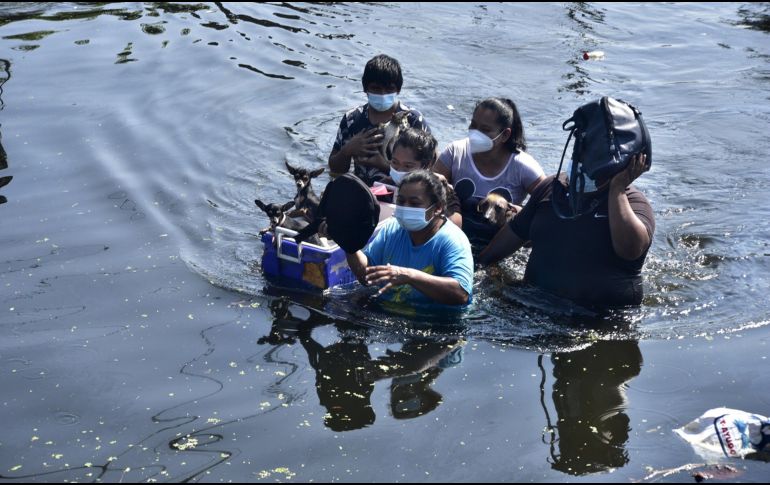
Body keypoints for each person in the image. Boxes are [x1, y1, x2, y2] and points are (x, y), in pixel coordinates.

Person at [478, 101, 655, 308]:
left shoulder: (635, 205)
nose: (585, 159)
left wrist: (617, 189)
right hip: (533, 306)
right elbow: (497, 249)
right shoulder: (551, 190)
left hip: (597, 320)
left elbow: (630, 250)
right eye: (583, 149)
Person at [345, 170, 473, 306]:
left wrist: (409, 276)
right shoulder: (392, 229)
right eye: (401, 201)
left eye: (414, 203)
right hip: (389, 312)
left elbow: (461, 294)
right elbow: (367, 276)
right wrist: (348, 244)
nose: (405, 207)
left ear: (437, 208)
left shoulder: (452, 240)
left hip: (434, 322)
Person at [434, 97, 545, 241]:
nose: (475, 133)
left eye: (485, 130)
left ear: (505, 135)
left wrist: (513, 210)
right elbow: (424, 195)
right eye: (473, 126)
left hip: (497, 243)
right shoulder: (455, 152)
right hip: (456, 237)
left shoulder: (523, 167)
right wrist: (437, 184)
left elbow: (547, 211)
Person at [328, 54, 430, 186]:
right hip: (361, 191)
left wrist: (384, 165)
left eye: (389, 89)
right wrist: (348, 150)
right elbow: (336, 169)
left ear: (398, 89)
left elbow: (429, 171)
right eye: (376, 88)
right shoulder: (352, 119)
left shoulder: (413, 120)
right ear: (365, 88)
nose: (383, 94)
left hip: (402, 194)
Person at [378, 127, 463, 227]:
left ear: (426, 165)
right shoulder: (383, 186)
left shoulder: (441, 191)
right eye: (395, 162)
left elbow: (456, 224)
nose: (399, 170)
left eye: (408, 166)